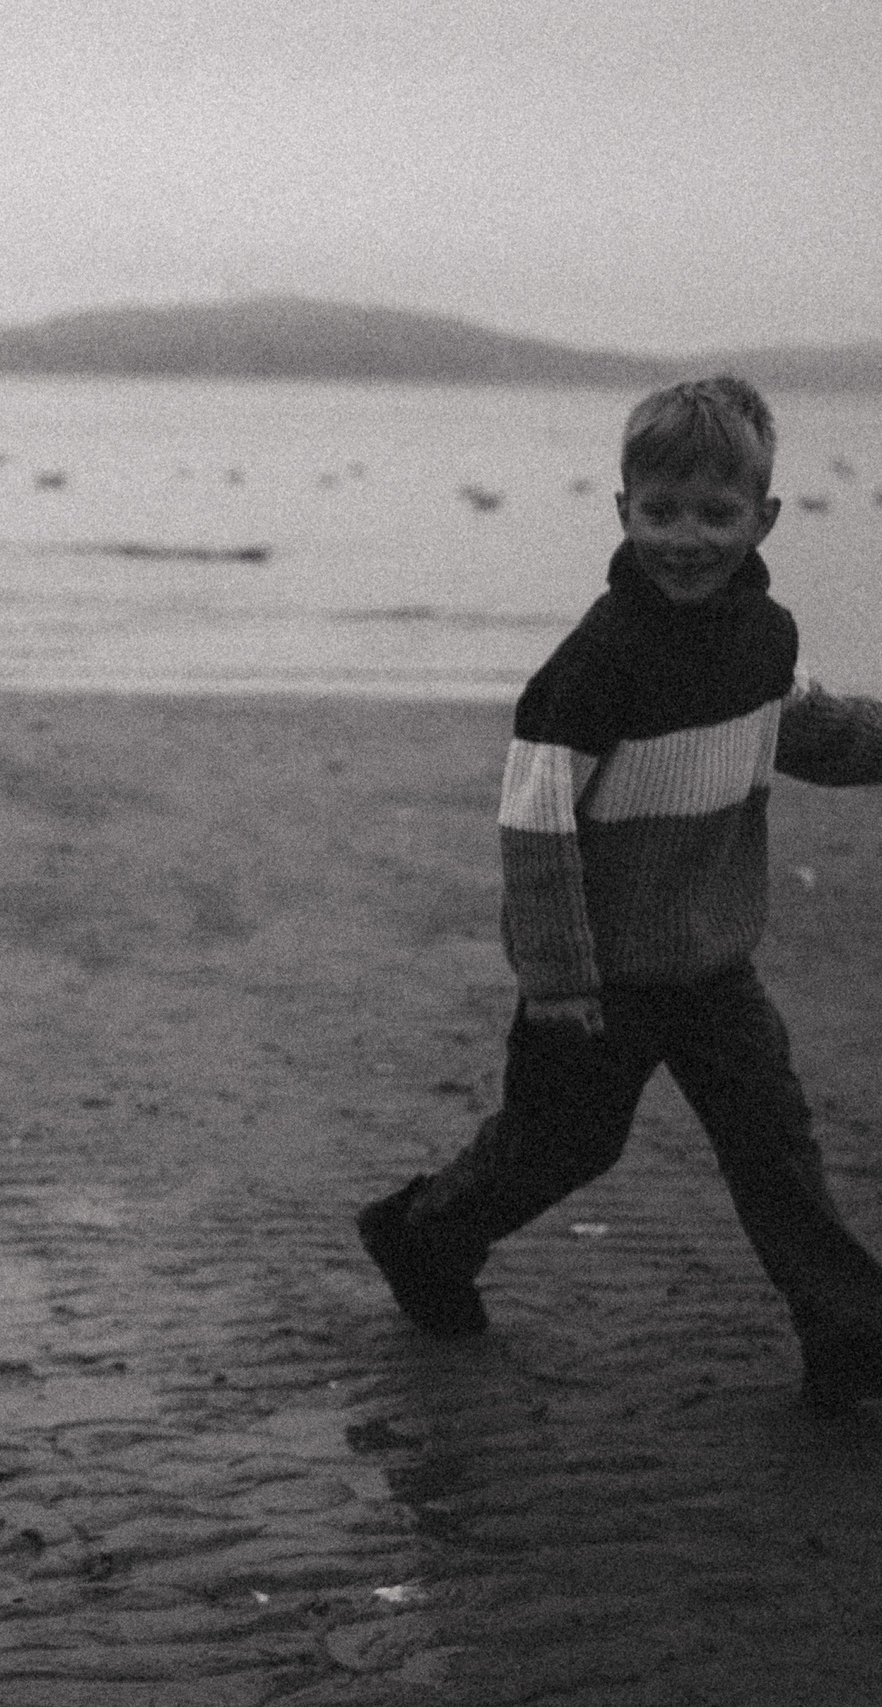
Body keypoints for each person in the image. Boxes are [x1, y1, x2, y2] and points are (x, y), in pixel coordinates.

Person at [356, 376, 882, 1415]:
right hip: (595, 974)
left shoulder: (763, 639)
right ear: (623, 511)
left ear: (762, 518)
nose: (686, 539)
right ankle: (421, 1235)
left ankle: (851, 1335)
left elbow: (808, 731)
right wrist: (556, 976)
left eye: (714, 514)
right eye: (661, 512)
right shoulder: (593, 667)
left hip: (712, 960)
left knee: (773, 1144)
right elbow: (535, 823)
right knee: (561, 1145)